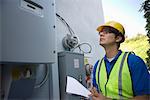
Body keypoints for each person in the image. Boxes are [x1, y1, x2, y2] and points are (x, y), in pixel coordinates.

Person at [89, 21, 150, 99]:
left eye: (107, 32)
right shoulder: (98, 65)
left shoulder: (134, 61)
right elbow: (97, 92)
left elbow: (145, 97)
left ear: (118, 38)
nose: (101, 34)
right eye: (100, 32)